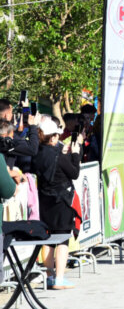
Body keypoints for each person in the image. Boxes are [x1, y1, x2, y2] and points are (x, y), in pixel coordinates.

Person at [33, 118, 82, 289]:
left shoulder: (37, 153)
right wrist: (75, 154)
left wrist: (64, 153)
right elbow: (74, 173)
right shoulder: (57, 155)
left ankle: (50, 277)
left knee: (48, 239)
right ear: (53, 137)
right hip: (62, 200)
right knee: (62, 239)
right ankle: (59, 279)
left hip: (45, 200)